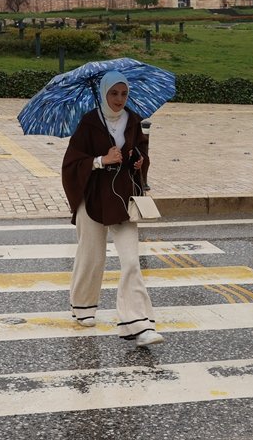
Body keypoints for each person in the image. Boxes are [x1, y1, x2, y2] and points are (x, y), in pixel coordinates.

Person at [61, 70, 162, 347]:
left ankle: (138, 324)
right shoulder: (90, 122)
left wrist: (139, 161)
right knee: (91, 256)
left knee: (131, 260)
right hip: (93, 197)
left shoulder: (133, 120)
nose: (119, 99)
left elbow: (141, 151)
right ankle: (83, 307)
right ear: (104, 93)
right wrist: (100, 160)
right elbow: (71, 163)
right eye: (114, 93)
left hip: (123, 199)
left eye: (124, 93)